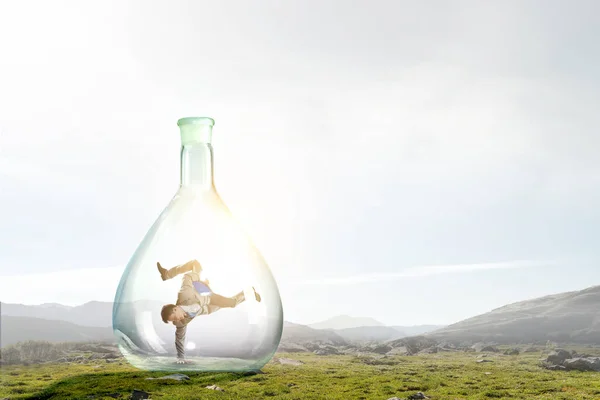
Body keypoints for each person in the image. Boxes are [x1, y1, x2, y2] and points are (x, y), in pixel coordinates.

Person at [157, 259, 261, 363]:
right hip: (208, 307)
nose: (178, 319)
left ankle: (167, 274)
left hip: (206, 294)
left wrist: (199, 281)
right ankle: (248, 292)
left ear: (176, 308)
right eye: (174, 320)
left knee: (195, 263)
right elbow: (179, 340)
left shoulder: (184, 294)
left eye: (175, 317)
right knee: (232, 303)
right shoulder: (180, 323)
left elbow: (187, 277)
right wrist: (180, 358)